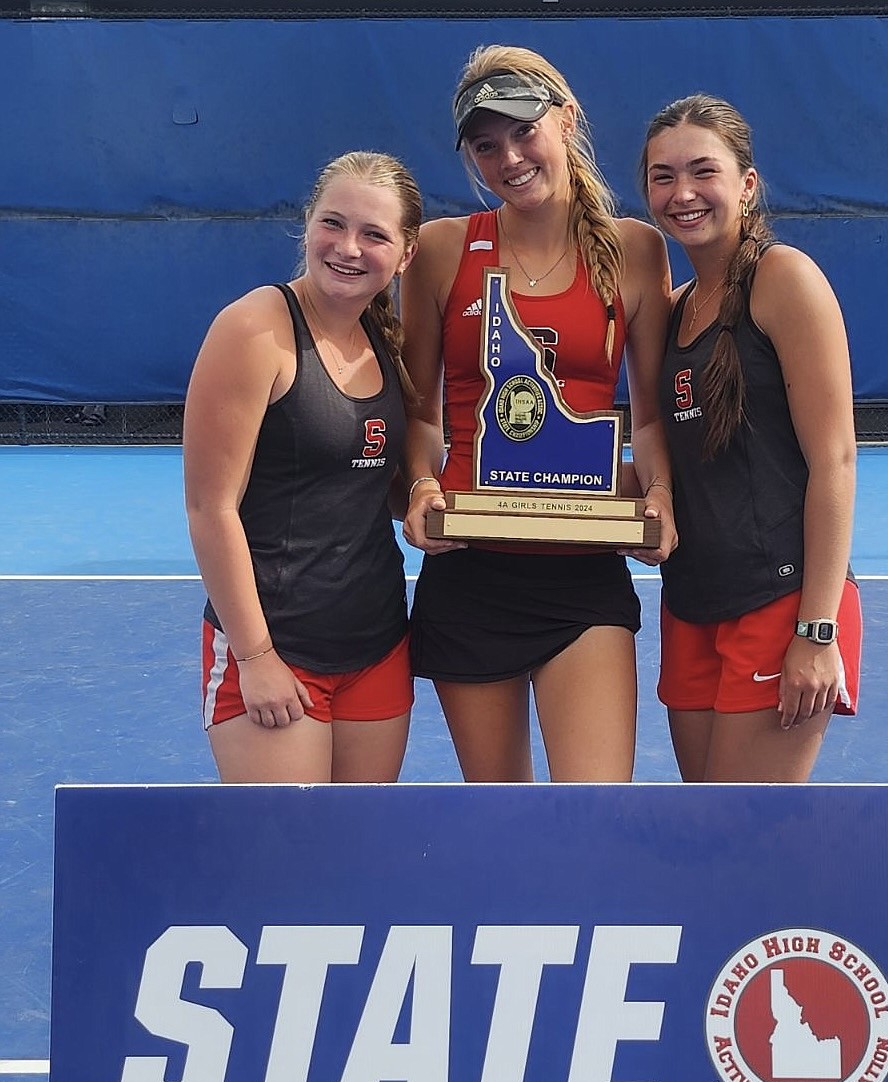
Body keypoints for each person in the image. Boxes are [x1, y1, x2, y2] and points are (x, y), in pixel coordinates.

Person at [401, 44, 677, 784]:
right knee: (502, 827)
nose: (509, 158)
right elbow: (420, 417)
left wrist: (658, 498)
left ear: (567, 119)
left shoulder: (636, 251)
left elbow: (648, 420)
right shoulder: (438, 250)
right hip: (469, 575)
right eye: (486, 146)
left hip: (582, 578)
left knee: (594, 817)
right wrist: (420, 490)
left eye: (524, 132)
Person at [641, 95, 863, 783]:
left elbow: (835, 460)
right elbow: (672, 462)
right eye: (661, 176)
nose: (681, 194)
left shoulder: (785, 279)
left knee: (746, 850)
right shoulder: (672, 310)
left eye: (702, 171)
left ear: (746, 183)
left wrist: (816, 631)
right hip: (692, 606)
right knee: (709, 843)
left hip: (782, 605)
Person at [184, 151, 421, 784]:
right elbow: (211, 509)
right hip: (276, 653)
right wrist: (256, 655)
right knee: (287, 870)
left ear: (405, 254)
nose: (348, 247)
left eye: (374, 234)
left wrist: (432, 502)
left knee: (356, 858)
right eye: (332, 223)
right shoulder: (254, 329)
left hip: (376, 648)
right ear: (306, 225)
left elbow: (375, 485)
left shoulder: (386, 339)